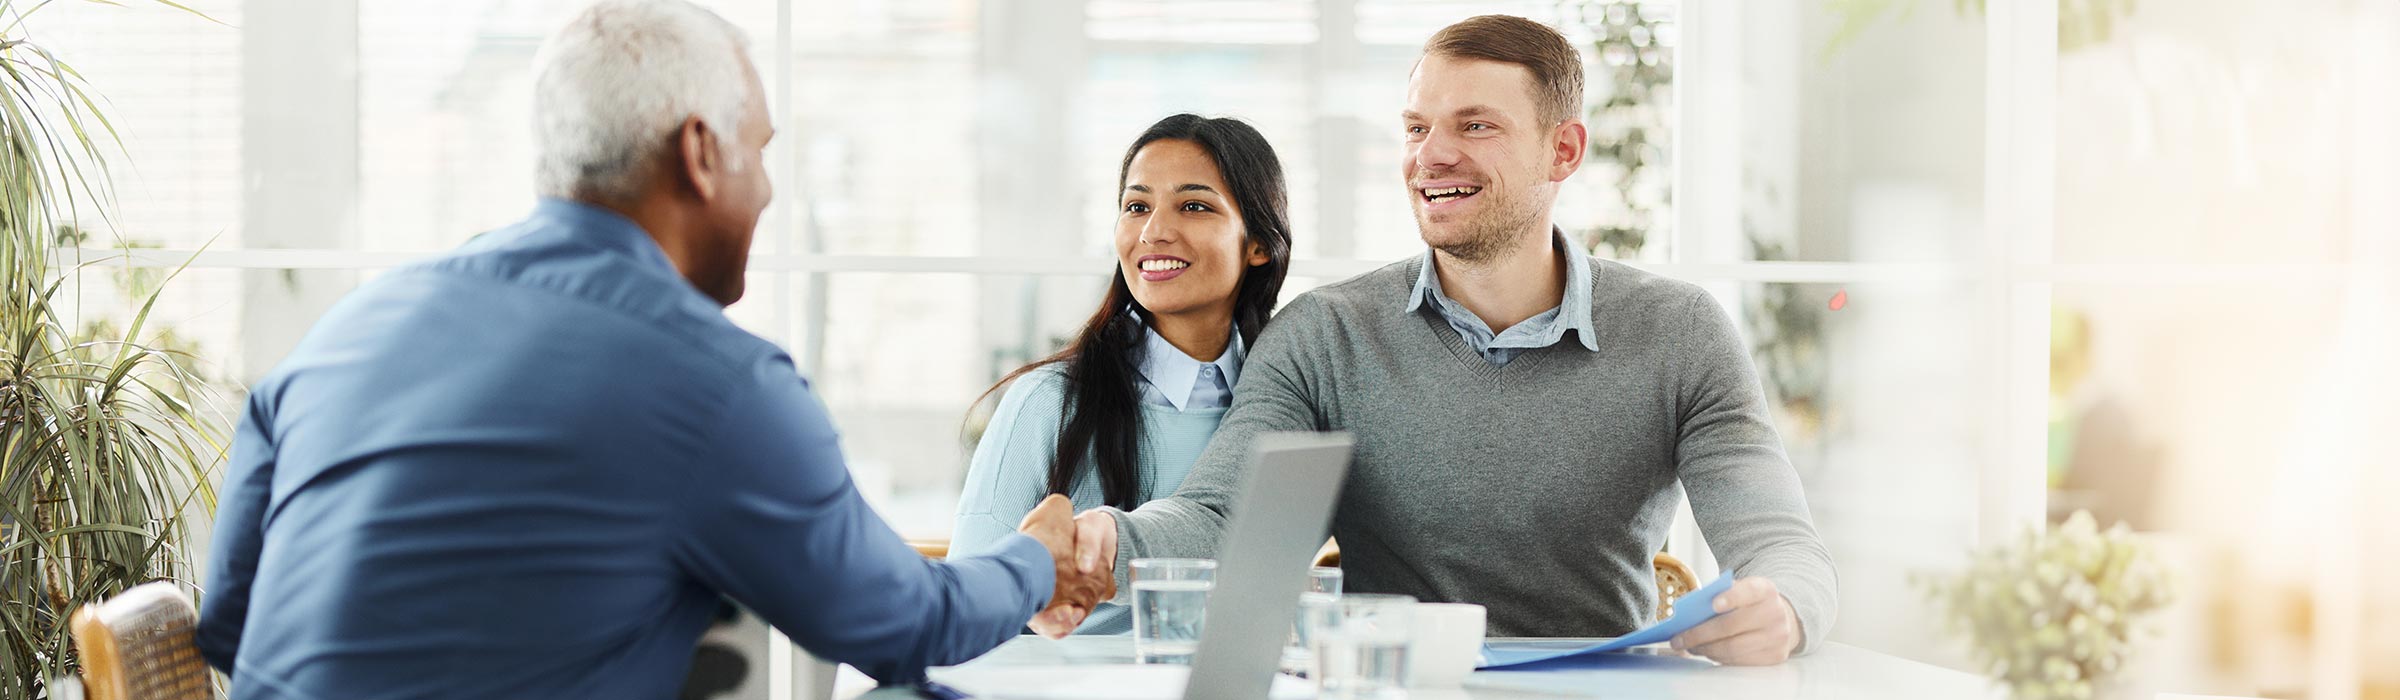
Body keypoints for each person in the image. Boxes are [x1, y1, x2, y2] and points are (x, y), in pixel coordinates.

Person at [194, 2, 1104, 696]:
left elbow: (231, 631)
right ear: (701, 154)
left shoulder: (348, 328)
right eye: (761, 150)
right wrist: (1034, 562)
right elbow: (896, 625)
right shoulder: (715, 383)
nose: (771, 189)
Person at [1028, 15, 1838, 666]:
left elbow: (1779, 542)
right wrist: (1107, 540)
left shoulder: (1679, 332)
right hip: (1395, 689)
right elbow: (1221, 519)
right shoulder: (1325, 335)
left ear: (1564, 150)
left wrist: (1784, 609)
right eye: (1417, 127)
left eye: (1474, 125)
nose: (1431, 156)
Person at [952, 114, 1293, 634]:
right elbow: (971, 610)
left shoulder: (1285, 403)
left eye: (1194, 206)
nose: (1153, 232)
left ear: (1259, 245)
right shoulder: (1047, 401)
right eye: (1136, 207)